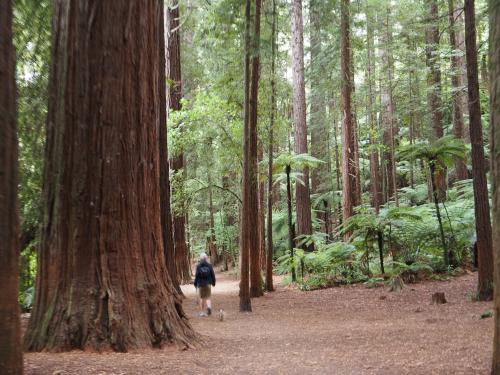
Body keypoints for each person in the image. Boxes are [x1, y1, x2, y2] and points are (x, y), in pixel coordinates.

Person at [194, 252, 216, 317]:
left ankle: (202, 312)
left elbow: (197, 276)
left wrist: (195, 284)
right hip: (208, 283)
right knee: (208, 297)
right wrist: (213, 282)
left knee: (201, 298)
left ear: (200, 258)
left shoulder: (198, 266)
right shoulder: (209, 265)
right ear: (206, 258)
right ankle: (209, 307)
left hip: (200, 284)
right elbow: (212, 274)